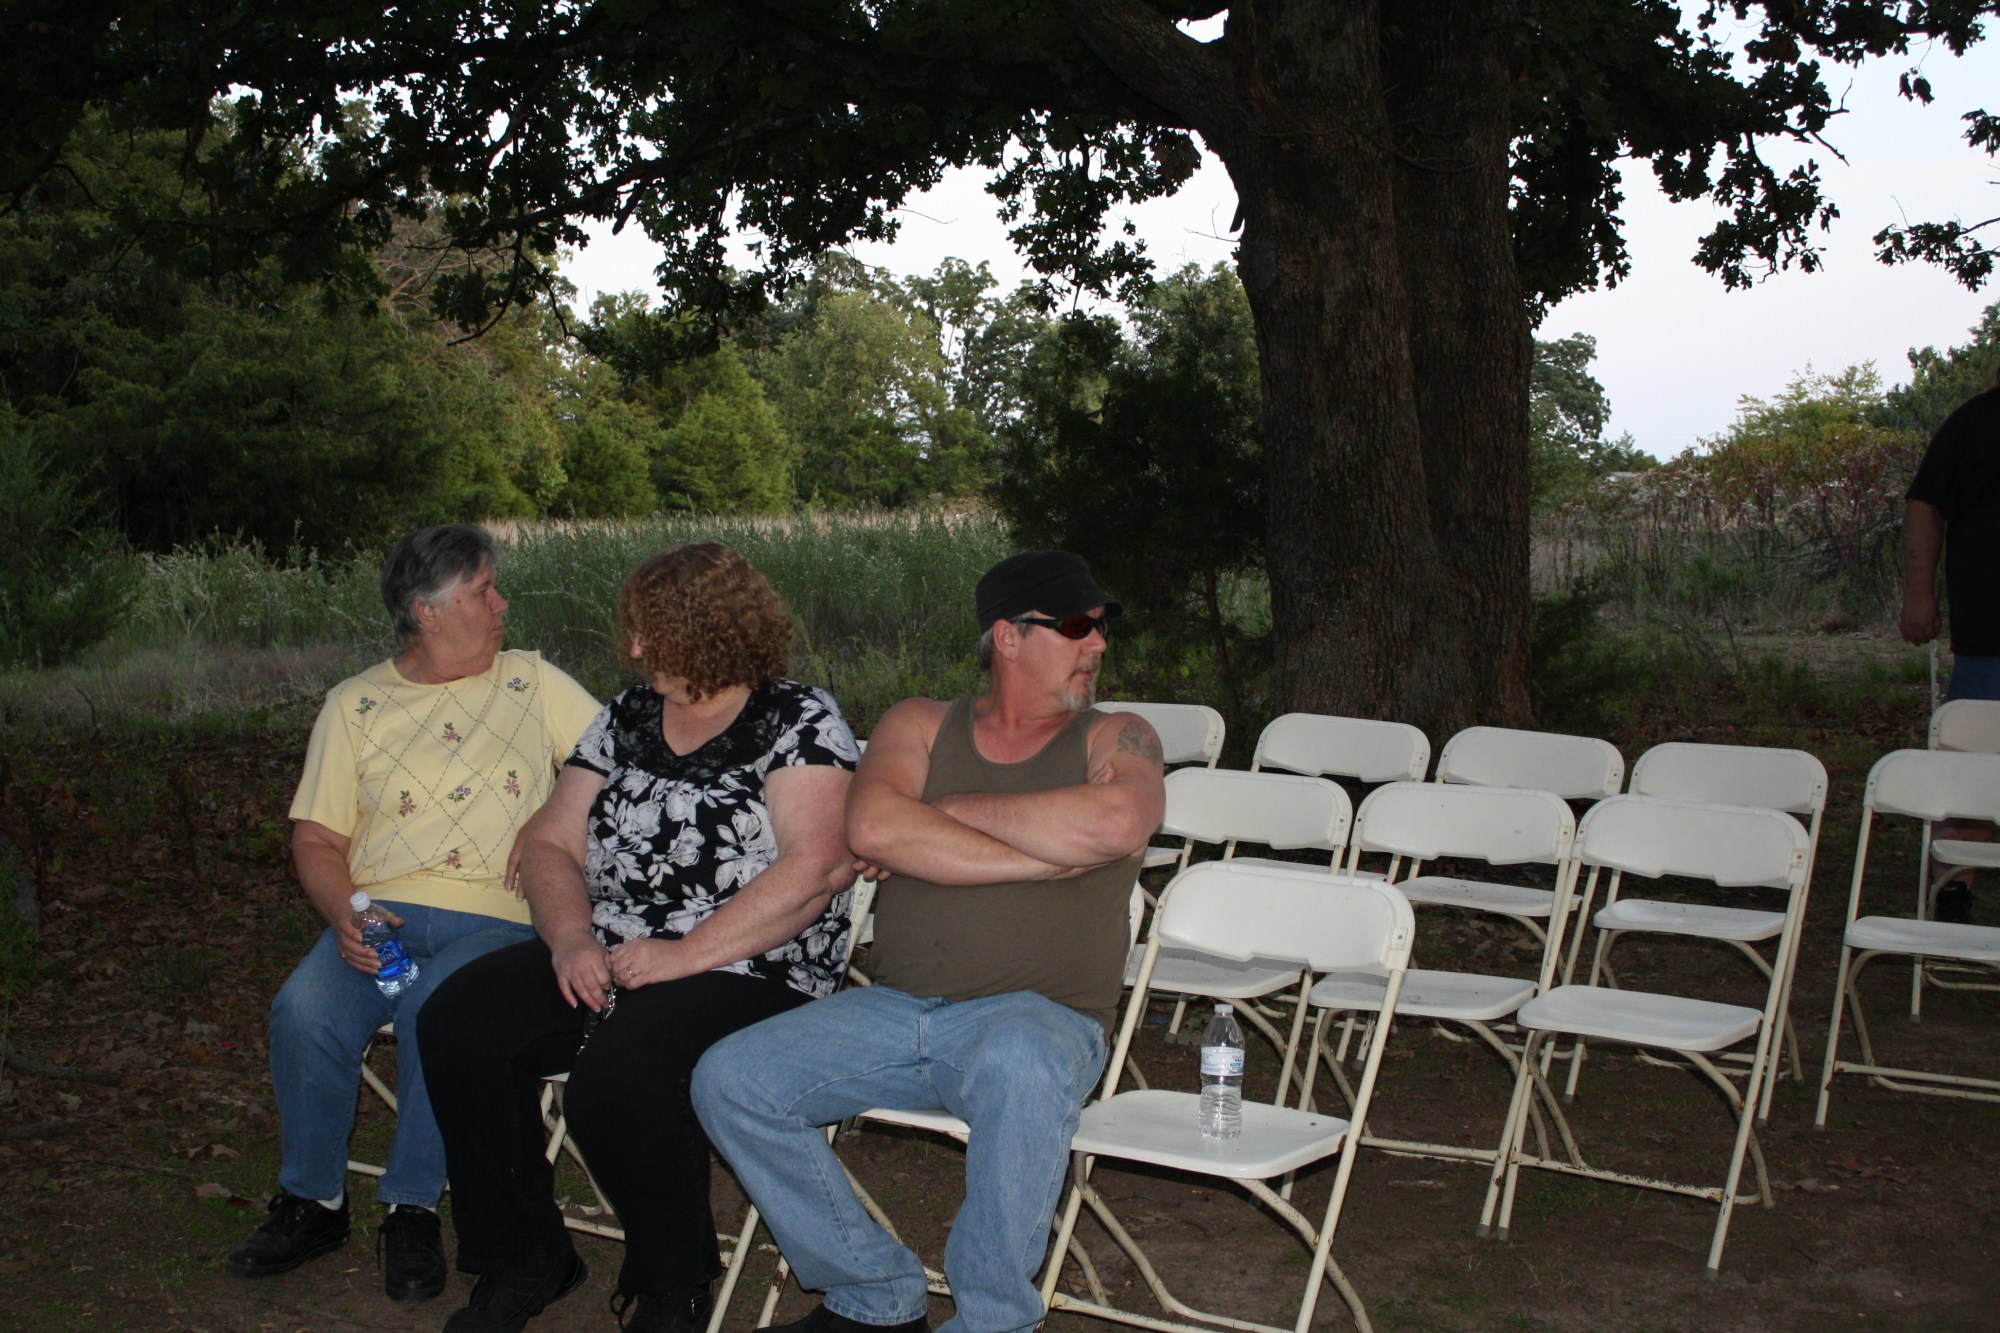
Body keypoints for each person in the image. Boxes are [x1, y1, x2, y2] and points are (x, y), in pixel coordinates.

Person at [691, 550, 1166, 1333]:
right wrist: (1045, 856)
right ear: (1008, 636)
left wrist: (948, 810)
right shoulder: (918, 721)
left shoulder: (1118, 733)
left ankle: (992, 1320)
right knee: (730, 1078)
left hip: (1041, 1020)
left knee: (1019, 1059)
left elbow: (1117, 822)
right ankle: (873, 1292)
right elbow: (874, 827)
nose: (1098, 643)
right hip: (895, 1011)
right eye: (1077, 625)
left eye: (1101, 627)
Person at [419, 541, 862, 1333]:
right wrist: (569, 938)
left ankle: (672, 1287)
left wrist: (685, 955)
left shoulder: (798, 719)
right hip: (617, 948)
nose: (631, 648)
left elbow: (817, 866)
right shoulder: (626, 717)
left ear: (711, 631)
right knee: (460, 1020)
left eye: (649, 632)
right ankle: (526, 1254)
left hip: (752, 965)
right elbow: (550, 839)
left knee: (620, 1075)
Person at [226, 524, 600, 1303]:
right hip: (381, 917)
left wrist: (549, 821)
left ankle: (412, 1206)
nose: (503, 604)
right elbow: (317, 838)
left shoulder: (532, 681)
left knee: (441, 1009)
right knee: (304, 1011)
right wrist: (345, 912)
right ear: (427, 611)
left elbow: (620, 769)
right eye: (484, 591)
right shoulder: (356, 704)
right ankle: (312, 1200)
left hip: (500, 920)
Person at [1900, 361, 2000, 923]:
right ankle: (1953, 890)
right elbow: (1924, 505)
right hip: (1990, 632)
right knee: (1972, 763)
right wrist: (1919, 594)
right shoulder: (1975, 421)